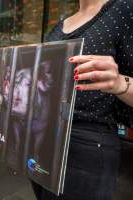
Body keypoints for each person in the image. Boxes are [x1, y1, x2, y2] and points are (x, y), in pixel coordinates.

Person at [31, 0, 133, 200]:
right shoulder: (59, 25)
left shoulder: (125, 9)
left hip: (87, 146)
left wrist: (120, 83)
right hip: (44, 136)